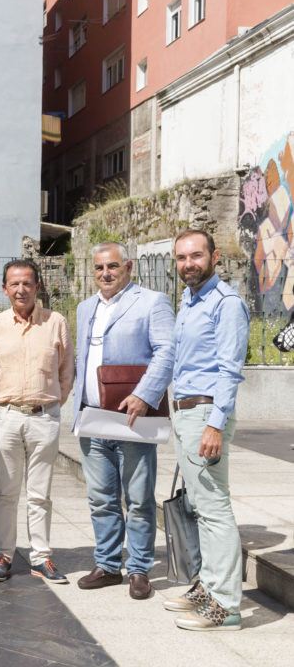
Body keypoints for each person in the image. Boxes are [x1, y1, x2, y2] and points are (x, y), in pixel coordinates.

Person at [73, 243, 175, 600]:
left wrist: (146, 394)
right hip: (92, 417)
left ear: (128, 267)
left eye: (112, 266)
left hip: (134, 419)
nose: (105, 273)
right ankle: (107, 565)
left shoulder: (152, 302)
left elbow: (167, 351)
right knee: (101, 499)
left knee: (139, 498)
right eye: (99, 267)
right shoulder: (85, 307)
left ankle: (140, 569)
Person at [164, 230, 249, 632]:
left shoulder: (226, 303)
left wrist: (215, 424)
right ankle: (209, 587)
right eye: (181, 258)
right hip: (185, 412)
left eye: (196, 256)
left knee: (215, 509)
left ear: (214, 257)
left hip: (205, 414)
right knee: (199, 506)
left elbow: (229, 369)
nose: (188, 264)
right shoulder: (190, 300)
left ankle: (227, 606)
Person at [0, 259, 74, 584]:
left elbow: (67, 370)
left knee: (40, 493)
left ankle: (41, 558)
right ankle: (4, 555)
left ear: (37, 287)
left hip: (44, 418)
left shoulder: (55, 322)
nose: (21, 289)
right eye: (14, 284)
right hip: (5, 417)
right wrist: (0, 402)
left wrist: (51, 404)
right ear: (5, 289)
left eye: (27, 283)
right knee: (6, 491)